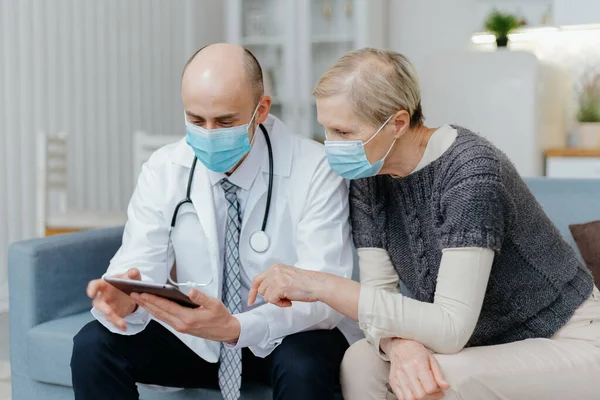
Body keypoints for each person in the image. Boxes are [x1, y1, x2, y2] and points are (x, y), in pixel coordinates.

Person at [249, 48, 600, 400]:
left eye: (342, 131)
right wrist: (401, 346)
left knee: (435, 381)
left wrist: (320, 285)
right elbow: (379, 296)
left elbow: (450, 327)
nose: (330, 146)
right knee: (360, 362)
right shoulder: (369, 177)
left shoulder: (470, 174)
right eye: (326, 130)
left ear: (398, 123)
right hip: (479, 343)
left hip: (567, 336)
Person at [70, 43, 359, 400]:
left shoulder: (314, 168)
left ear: (261, 110)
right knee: (93, 345)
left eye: (224, 122)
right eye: (195, 120)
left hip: (279, 337)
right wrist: (124, 297)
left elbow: (324, 292)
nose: (208, 133)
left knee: (306, 364)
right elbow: (140, 260)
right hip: (197, 338)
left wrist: (238, 326)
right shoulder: (164, 169)